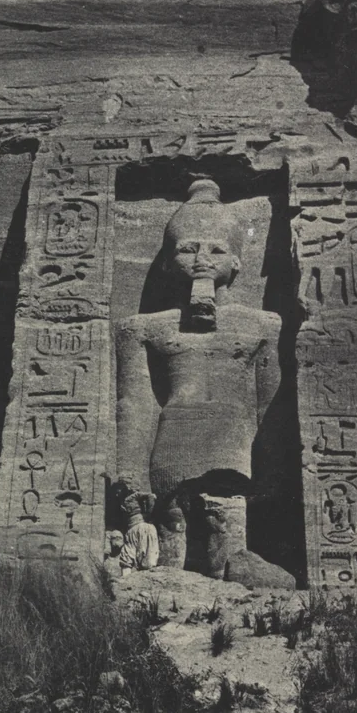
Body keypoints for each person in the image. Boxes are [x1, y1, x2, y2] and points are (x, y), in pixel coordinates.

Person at [115, 179, 282, 574]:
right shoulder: (142, 328)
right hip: (169, 453)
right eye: (188, 249)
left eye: (216, 249)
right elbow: (135, 406)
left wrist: (271, 475)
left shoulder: (262, 326)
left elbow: (268, 407)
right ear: (168, 262)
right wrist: (132, 483)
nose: (202, 259)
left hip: (231, 454)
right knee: (170, 551)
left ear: (237, 262)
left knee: (226, 548)